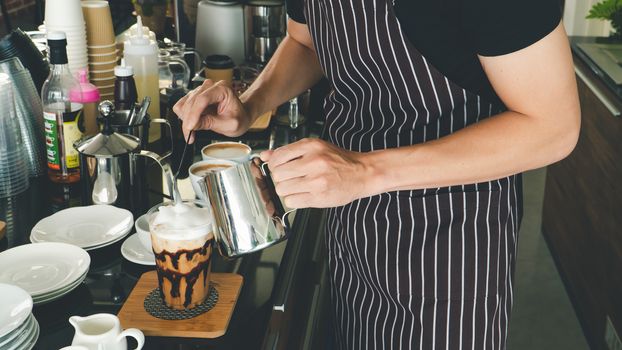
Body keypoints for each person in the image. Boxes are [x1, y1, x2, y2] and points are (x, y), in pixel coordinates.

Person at [174, 0, 580, 347]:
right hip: (353, 219)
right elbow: (306, 41)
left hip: (450, 242)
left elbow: (553, 126)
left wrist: (367, 171)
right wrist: (251, 104)